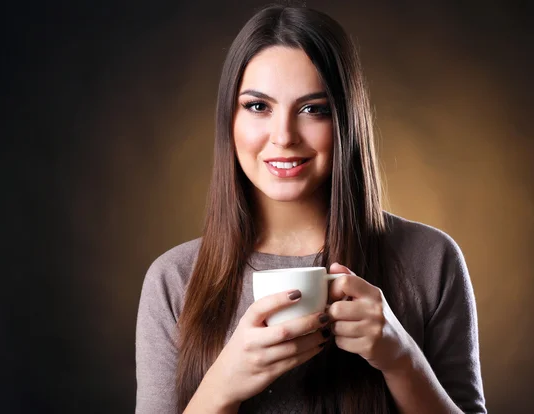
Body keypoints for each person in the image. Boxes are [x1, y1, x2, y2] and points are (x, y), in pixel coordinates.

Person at [135, 5, 486, 414]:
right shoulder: (174, 279)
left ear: (346, 122)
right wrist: (221, 387)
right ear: (229, 119)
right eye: (257, 106)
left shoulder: (430, 258)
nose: (283, 136)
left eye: (312, 109)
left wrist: (401, 358)